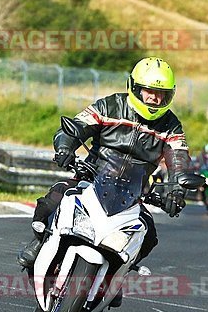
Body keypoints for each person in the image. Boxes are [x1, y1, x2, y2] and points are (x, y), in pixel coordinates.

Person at [17, 57, 191, 286]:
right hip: (91, 178)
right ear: (135, 88)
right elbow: (75, 126)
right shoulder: (109, 106)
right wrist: (64, 148)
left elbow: (179, 157)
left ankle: (113, 277)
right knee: (54, 198)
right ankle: (40, 241)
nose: (155, 99)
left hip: (133, 193)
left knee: (148, 237)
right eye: (150, 91)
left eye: (162, 94)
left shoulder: (171, 126)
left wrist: (177, 189)